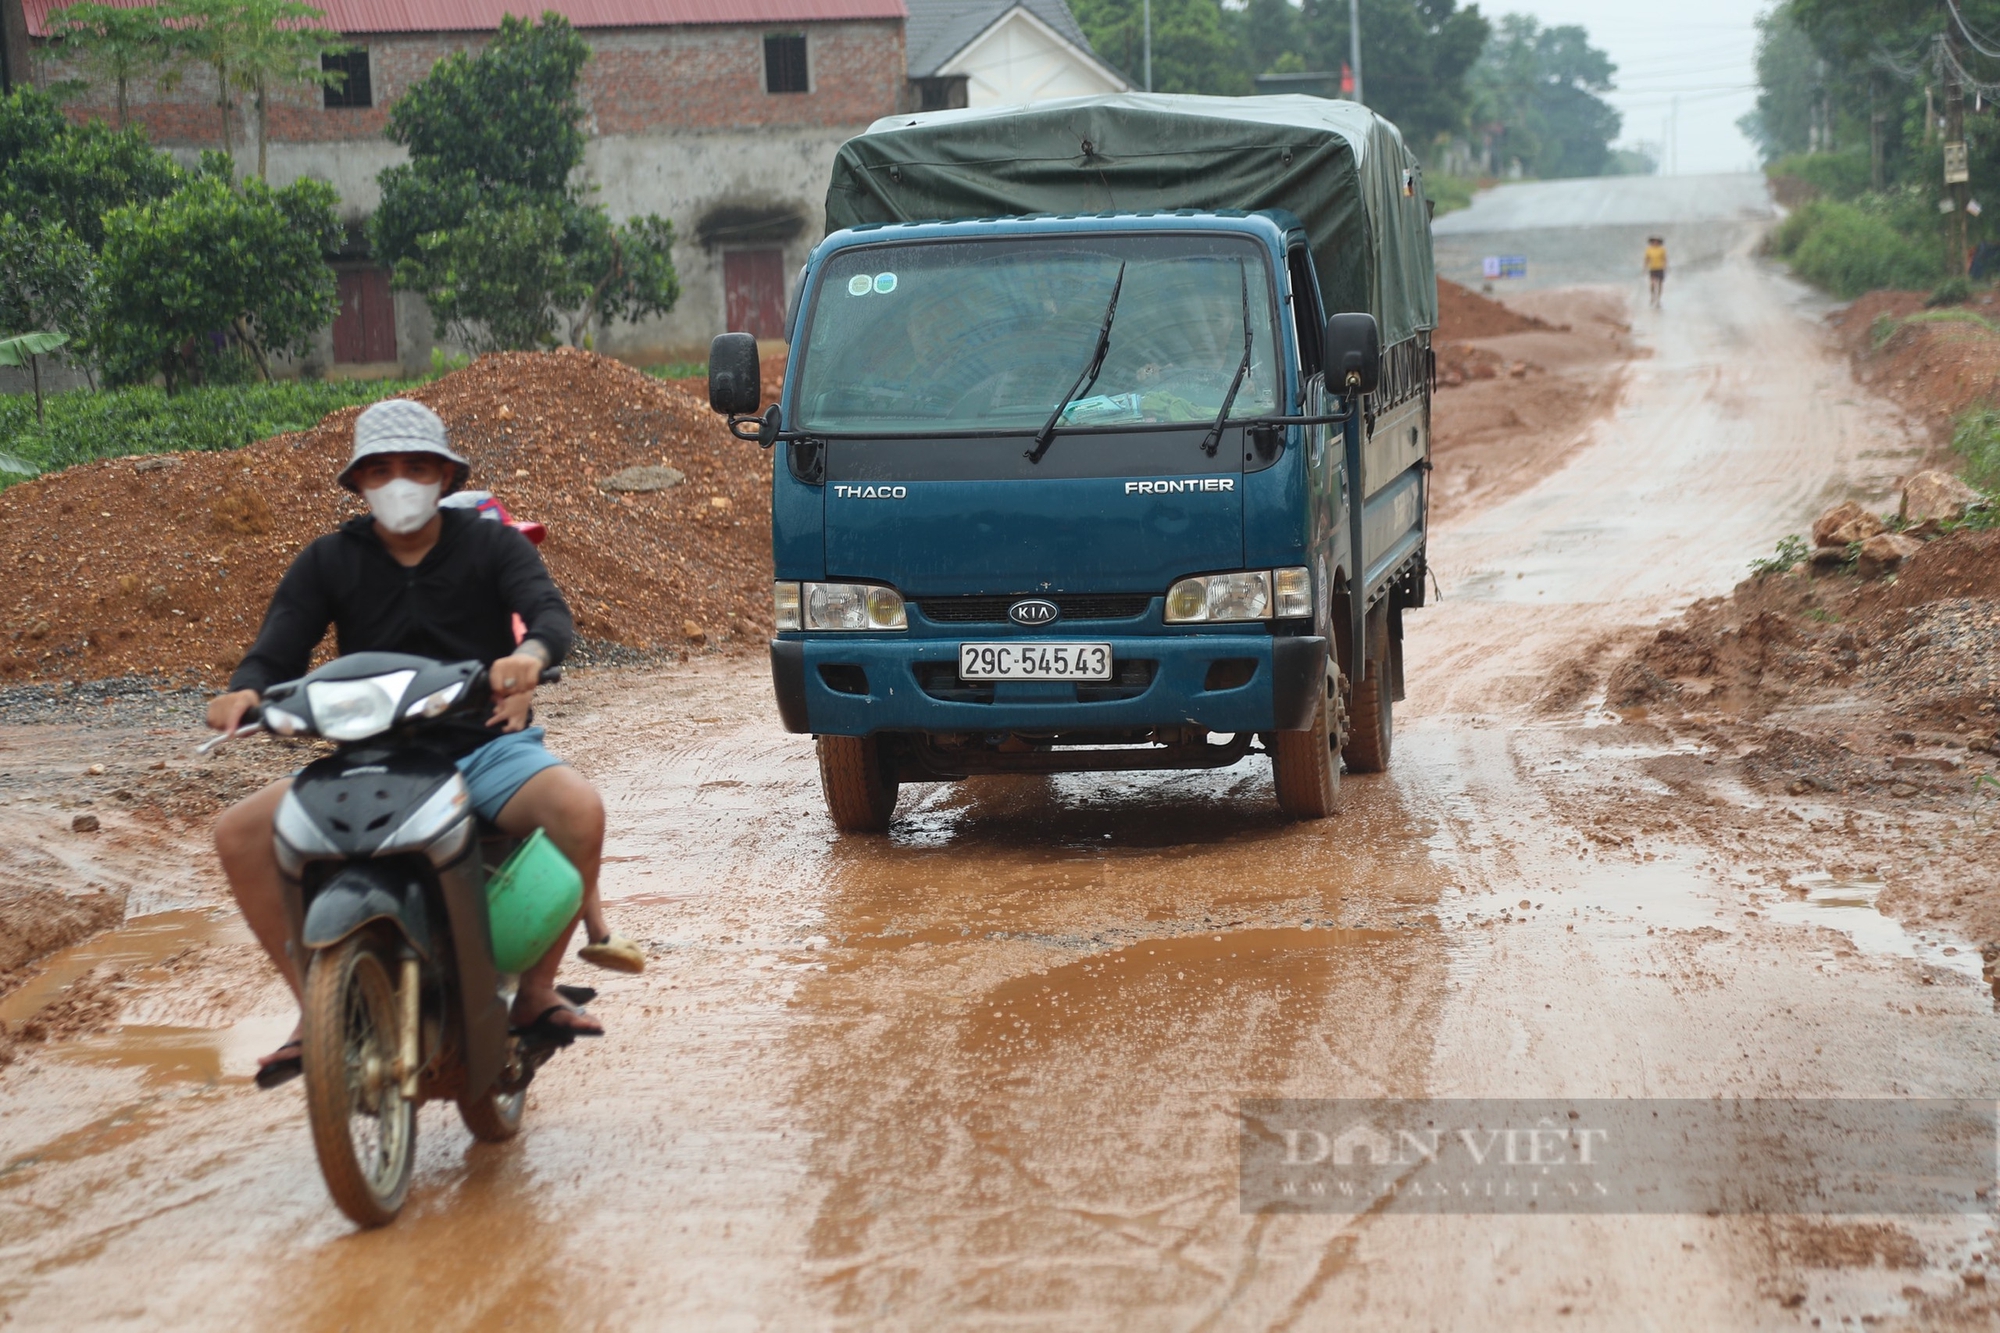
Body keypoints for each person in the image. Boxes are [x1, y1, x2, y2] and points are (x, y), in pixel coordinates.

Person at [208, 399, 611, 1086]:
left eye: (417, 467)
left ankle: (538, 988)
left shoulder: (493, 545)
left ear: (446, 478)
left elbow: (547, 613)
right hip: (366, 761)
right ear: (359, 481)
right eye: (382, 468)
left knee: (578, 809)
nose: (400, 481)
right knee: (237, 833)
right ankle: (316, 1007)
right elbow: (277, 647)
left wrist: (533, 655)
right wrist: (245, 689)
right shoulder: (329, 559)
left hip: (483, 749)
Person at [1644, 236, 1668, 309]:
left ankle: (1658, 299)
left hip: (1660, 268)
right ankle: (1652, 297)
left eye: (1657, 241)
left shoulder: (1662, 249)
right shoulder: (1648, 249)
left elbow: (1664, 258)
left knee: (1660, 284)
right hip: (1652, 268)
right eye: (1654, 241)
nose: (1655, 243)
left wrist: (1665, 266)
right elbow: (1647, 259)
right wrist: (1645, 267)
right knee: (1653, 283)